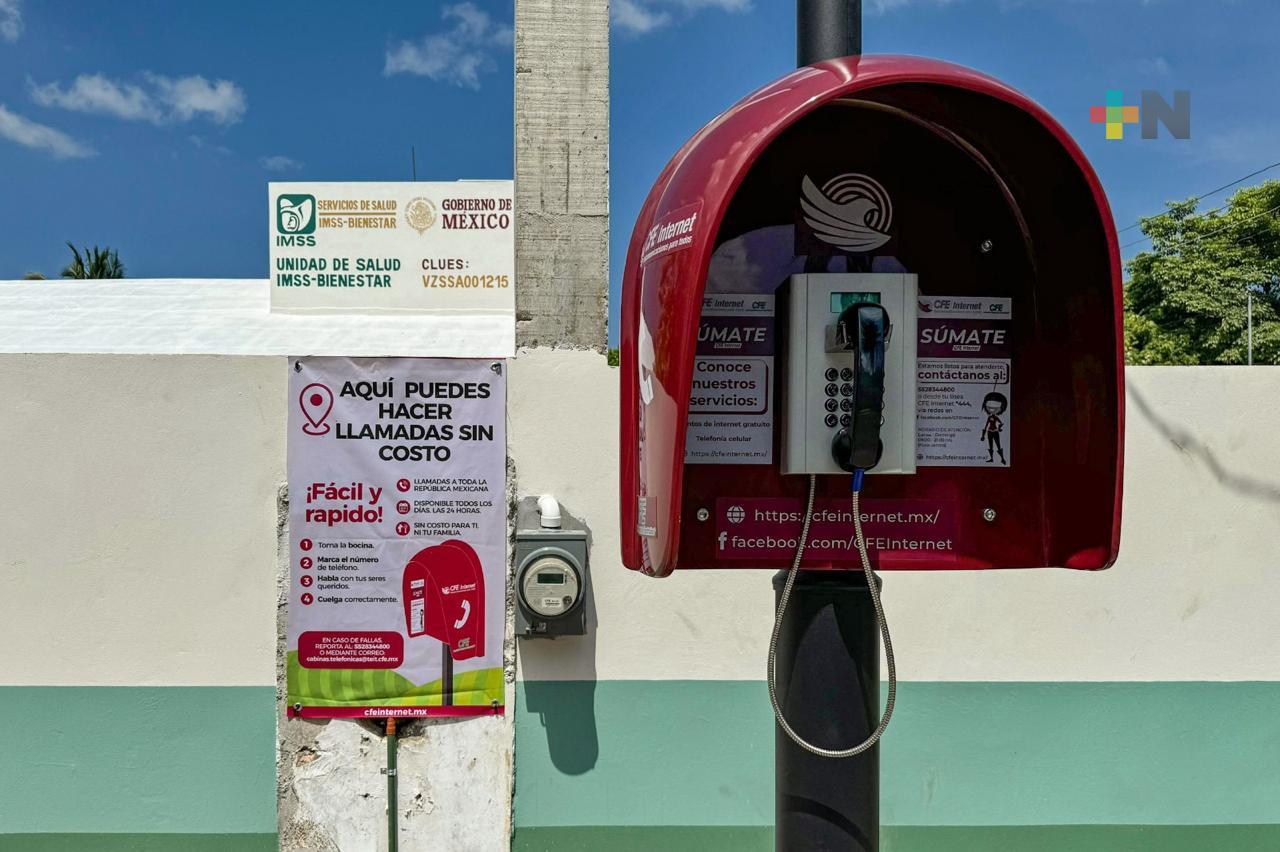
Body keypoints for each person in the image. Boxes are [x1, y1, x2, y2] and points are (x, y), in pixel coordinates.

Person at [979, 391, 1007, 464]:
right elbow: (986, 425)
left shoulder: (996, 417)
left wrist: (999, 428)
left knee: (998, 445)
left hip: (995, 431)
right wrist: (983, 435)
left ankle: (1002, 459)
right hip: (989, 432)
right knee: (990, 445)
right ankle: (991, 458)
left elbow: (1000, 423)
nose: (992, 409)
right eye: (989, 406)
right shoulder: (989, 417)